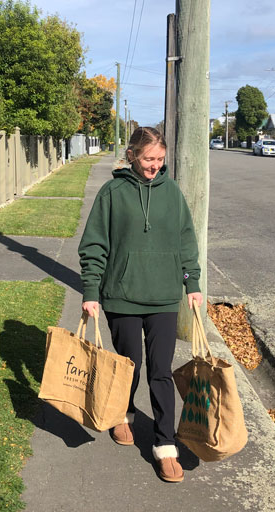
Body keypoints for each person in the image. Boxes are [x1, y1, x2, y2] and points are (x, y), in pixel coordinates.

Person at [78, 127, 203, 483]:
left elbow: (185, 240)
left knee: (160, 371)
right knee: (128, 366)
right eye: (149, 159)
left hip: (164, 297)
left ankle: (166, 446)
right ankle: (123, 415)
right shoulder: (113, 192)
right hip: (122, 296)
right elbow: (94, 245)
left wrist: (191, 282)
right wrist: (91, 291)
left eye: (160, 160)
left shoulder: (172, 192)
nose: (155, 166)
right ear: (132, 154)